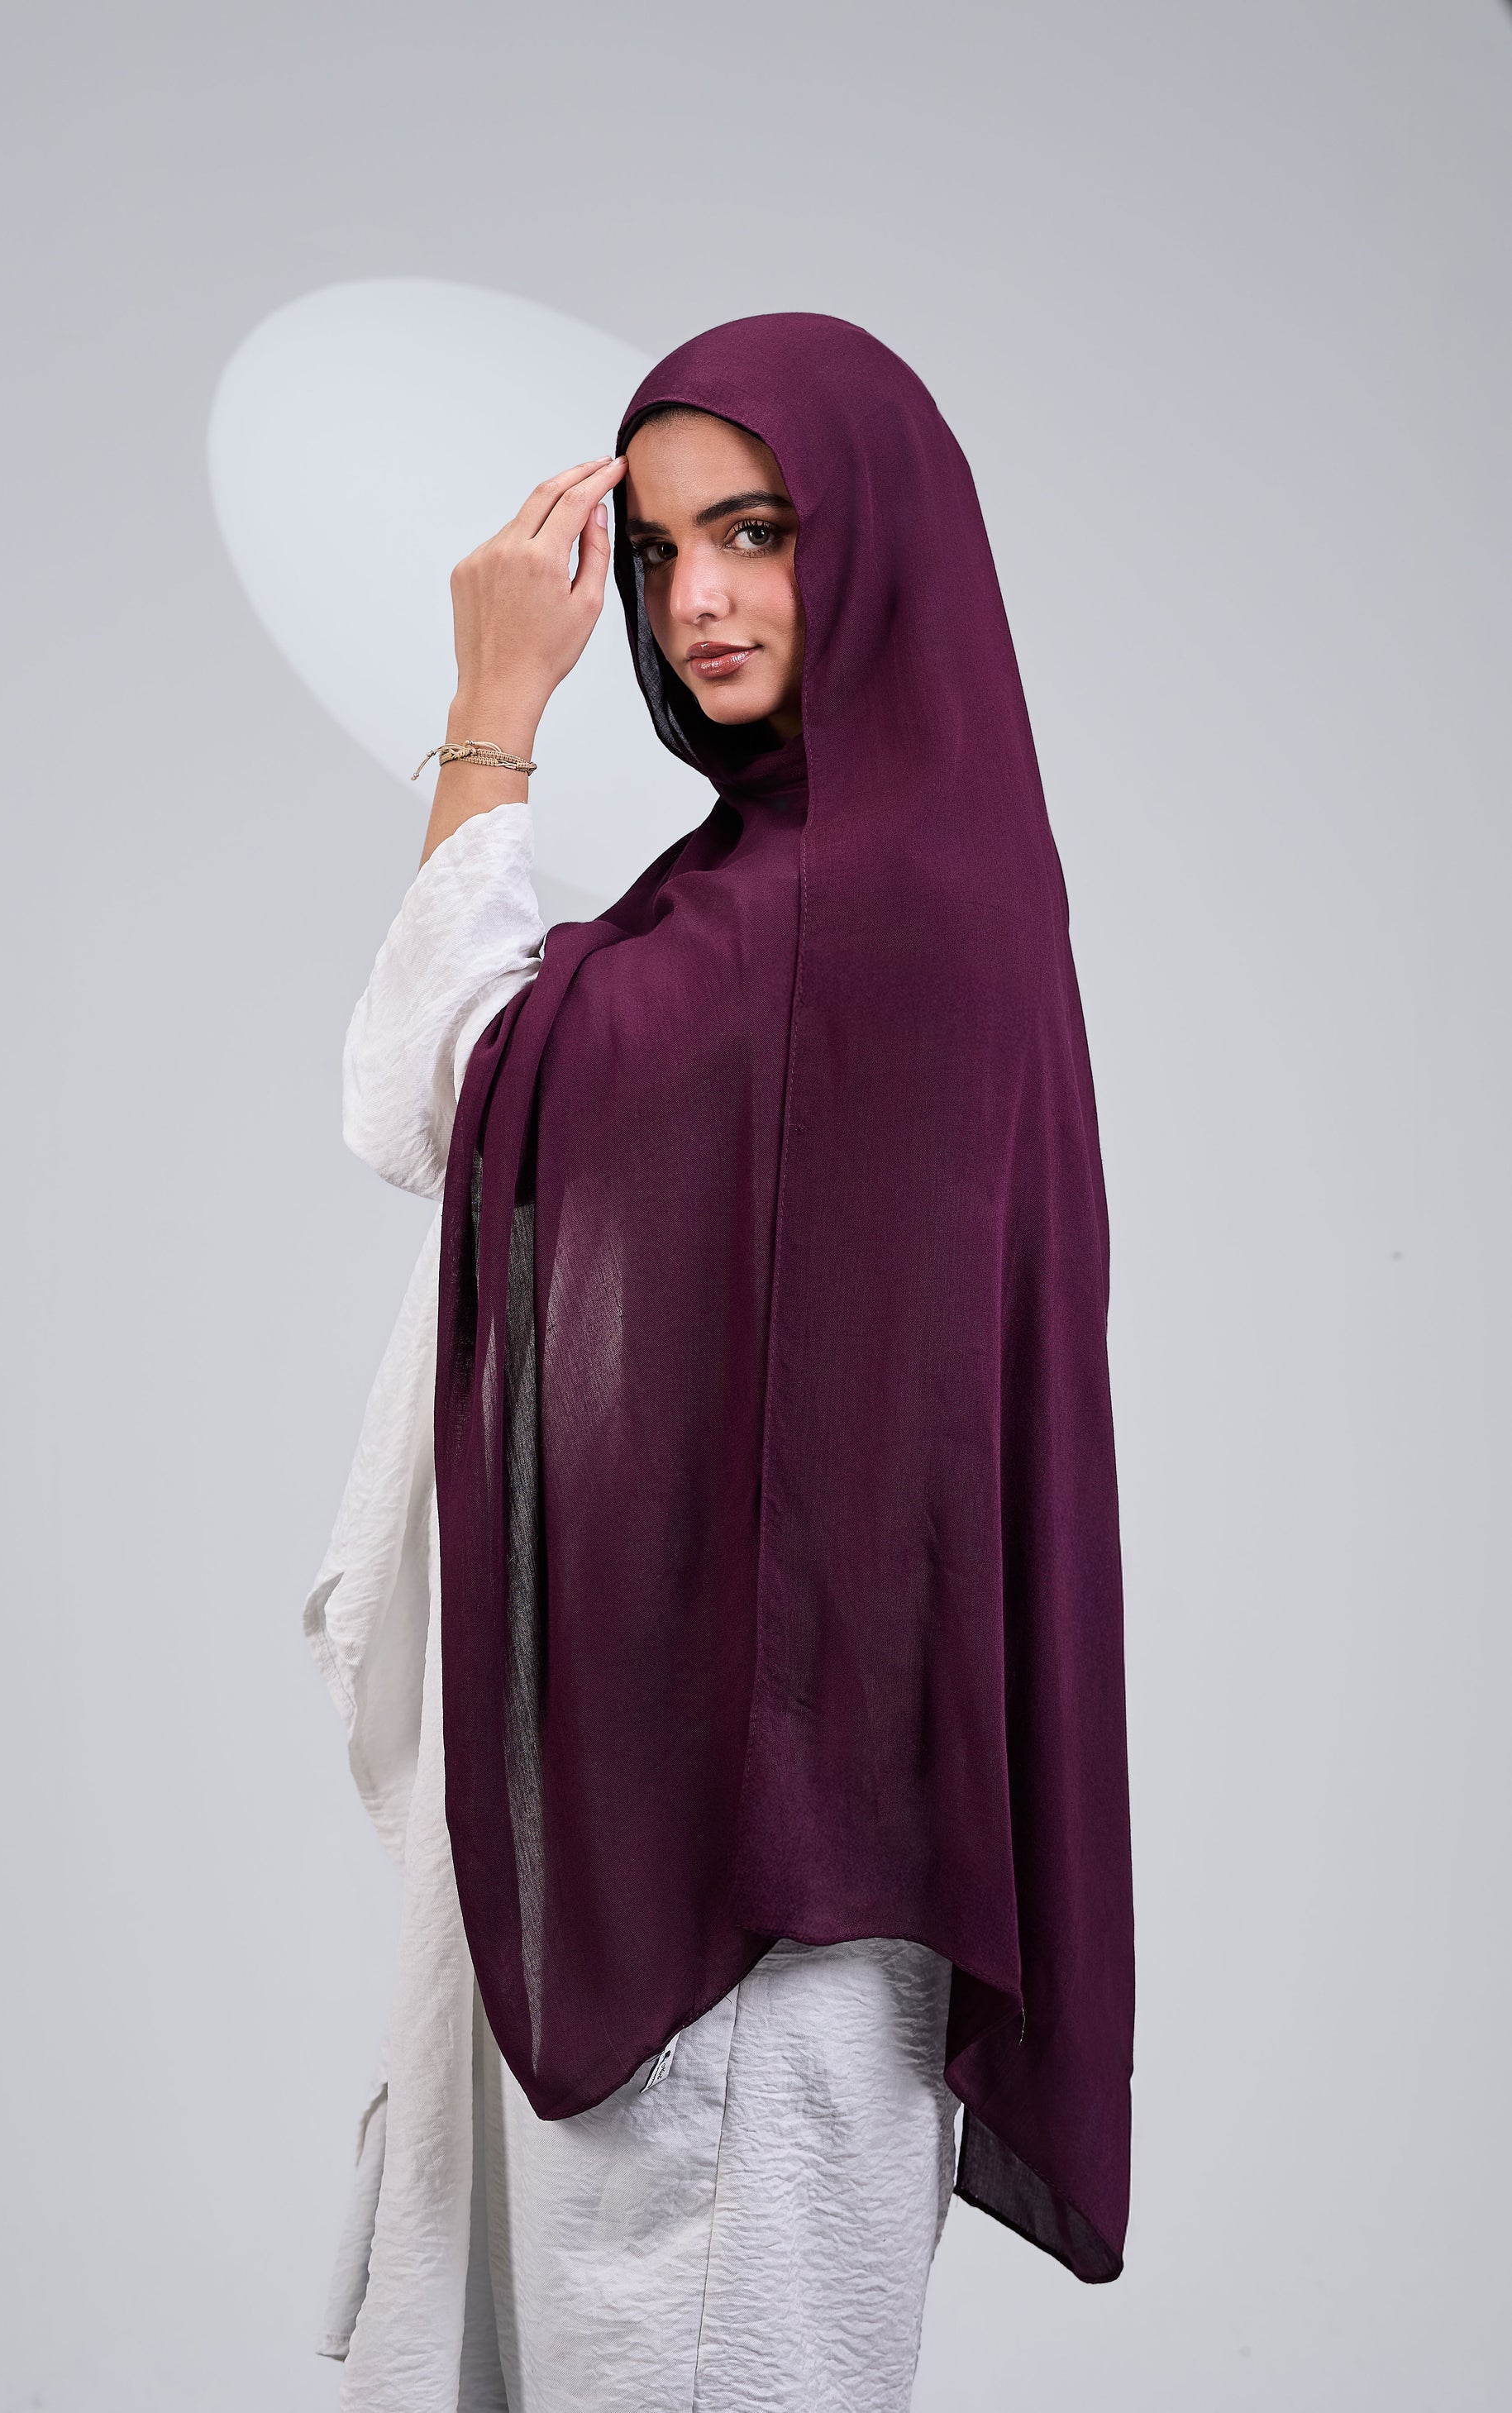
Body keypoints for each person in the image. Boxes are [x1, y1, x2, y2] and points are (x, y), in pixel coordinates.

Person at [308, 313, 1133, 2413]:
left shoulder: (865, 913)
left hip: (757, 1898)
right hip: (697, 1820)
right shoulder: (795, 886)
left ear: (876, 542)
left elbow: (431, 1087)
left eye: (756, 532)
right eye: (665, 548)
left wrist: (491, 716)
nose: (696, 599)